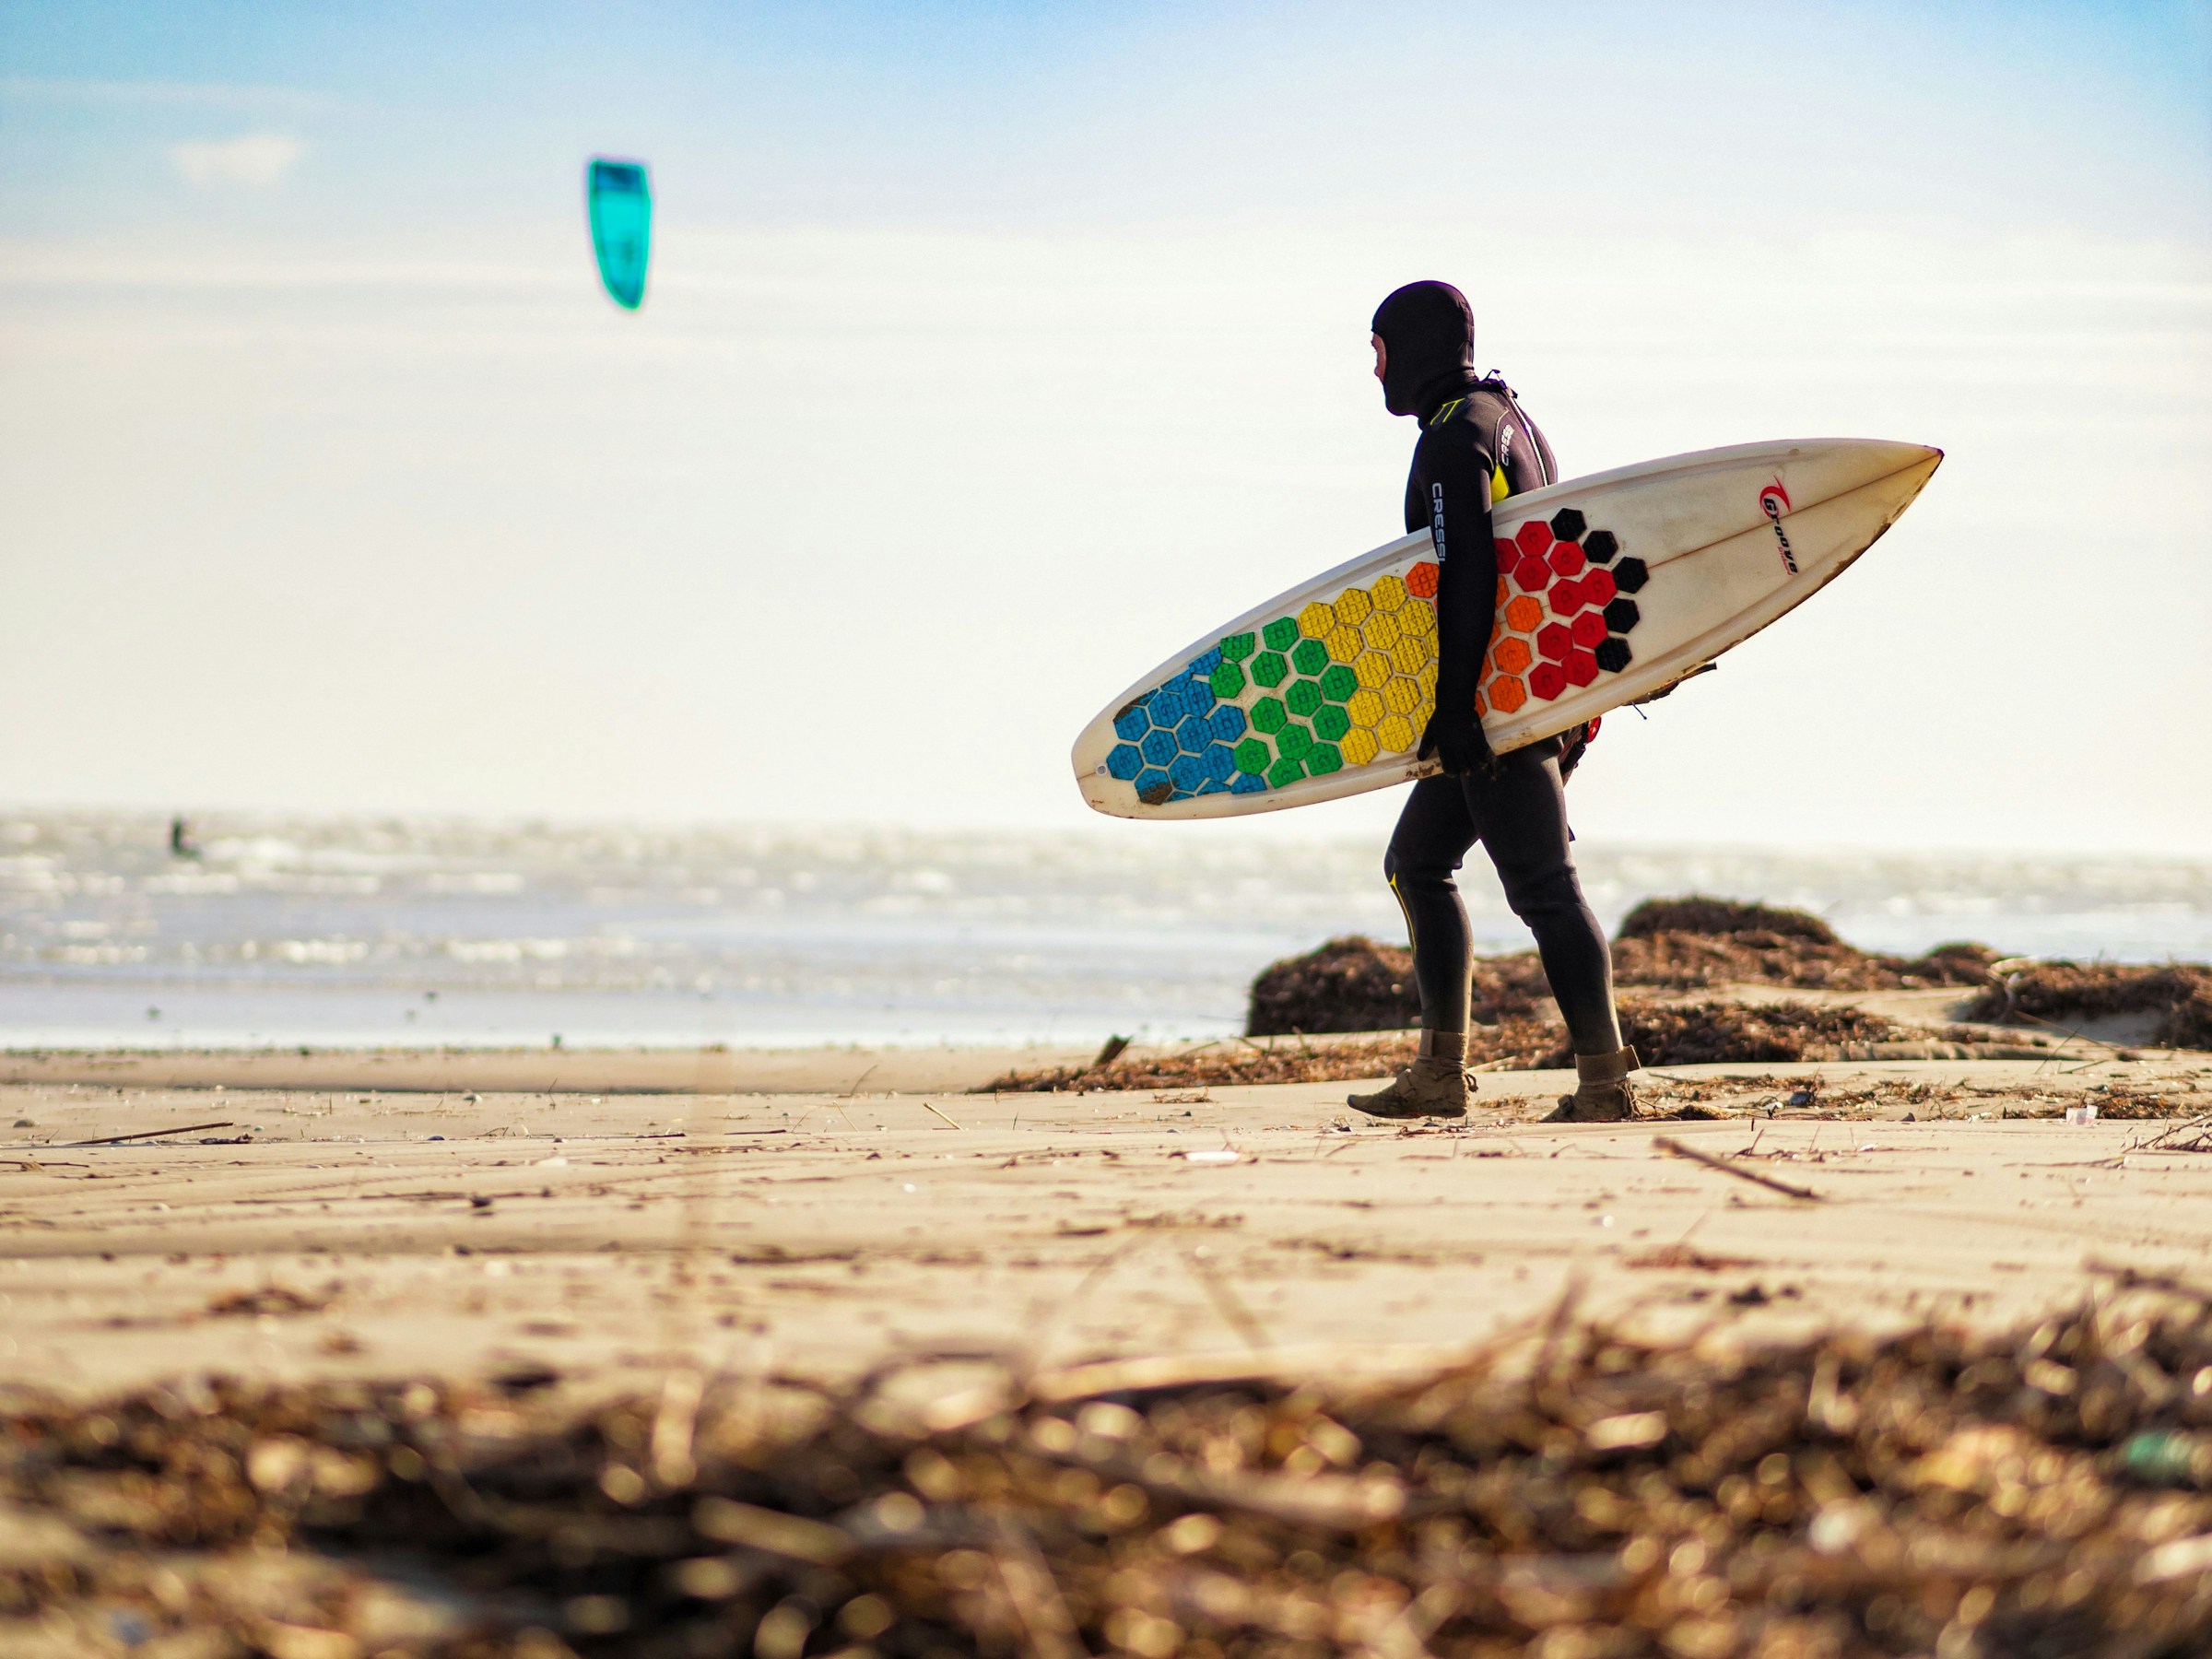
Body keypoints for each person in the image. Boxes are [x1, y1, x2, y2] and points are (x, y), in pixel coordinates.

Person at [1347, 281, 1640, 1124]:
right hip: (1541, 687)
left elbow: (1467, 572)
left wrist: (1454, 710)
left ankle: (1604, 1083)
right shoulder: (1510, 419)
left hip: (1496, 703)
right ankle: (1440, 1075)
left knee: (1543, 885)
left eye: (1379, 348)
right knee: (1418, 862)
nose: (1374, 371)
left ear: (1415, 345)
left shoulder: (1453, 439)